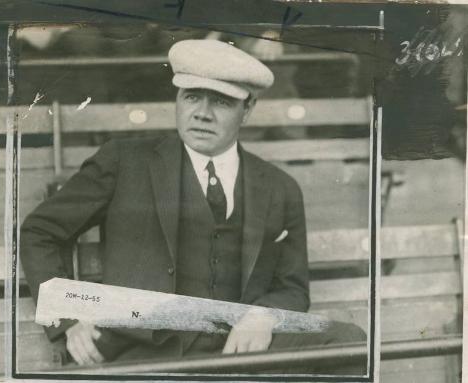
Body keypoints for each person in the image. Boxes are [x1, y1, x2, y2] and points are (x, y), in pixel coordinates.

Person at [20, 39, 366, 374]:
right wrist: (69, 317)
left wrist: (264, 317)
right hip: (146, 354)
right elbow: (41, 232)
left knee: (349, 342)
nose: (202, 114)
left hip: (241, 353)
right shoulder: (125, 161)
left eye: (221, 102)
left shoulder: (279, 187)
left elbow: (292, 287)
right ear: (178, 99)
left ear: (248, 109)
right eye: (192, 97)